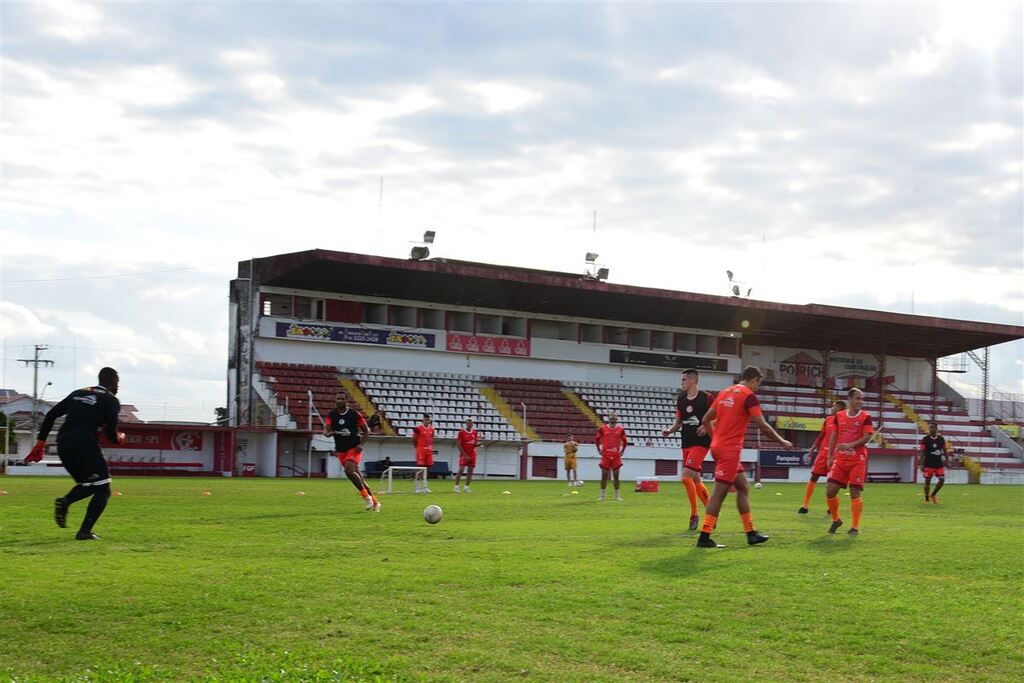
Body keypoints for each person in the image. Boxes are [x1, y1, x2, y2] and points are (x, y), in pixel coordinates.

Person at [697, 366, 792, 548]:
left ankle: (751, 533)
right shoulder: (748, 396)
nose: (758, 387)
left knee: (743, 487)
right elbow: (763, 426)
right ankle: (704, 536)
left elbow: (705, 420)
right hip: (730, 451)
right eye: (759, 383)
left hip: (719, 447)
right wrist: (782, 441)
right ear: (753, 379)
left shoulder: (724, 393)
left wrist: (715, 438)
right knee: (719, 494)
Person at [25, 367, 125, 540]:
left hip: (63, 444)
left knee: (90, 484)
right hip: (85, 444)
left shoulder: (78, 393)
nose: (118, 387)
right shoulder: (111, 400)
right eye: (117, 383)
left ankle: (64, 502)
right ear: (113, 382)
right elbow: (110, 434)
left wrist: (40, 443)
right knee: (103, 489)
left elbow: (50, 415)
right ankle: (84, 531)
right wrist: (120, 437)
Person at [662, 369, 713, 530]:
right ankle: (712, 513)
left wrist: (707, 426)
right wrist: (669, 430)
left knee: (685, 478)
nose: (681, 382)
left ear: (692, 381)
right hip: (686, 442)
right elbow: (678, 423)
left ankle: (694, 514)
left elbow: (720, 416)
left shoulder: (707, 398)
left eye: (683, 380)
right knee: (696, 479)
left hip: (701, 442)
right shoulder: (681, 400)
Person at [825, 388, 874, 536]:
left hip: (857, 460)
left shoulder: (866, 417)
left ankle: (854, 527)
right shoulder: (839, 416)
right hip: (840, 460)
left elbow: (867, 437)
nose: (861, 401)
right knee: (830, 491)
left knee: (854, 492)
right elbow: (833, 436)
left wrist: (850, 445)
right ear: (850, 399)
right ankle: (836, 520)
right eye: (858, 398)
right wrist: (829, 457)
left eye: (862, 398)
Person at [324, 392, 379, 512]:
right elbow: (327, 428)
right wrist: (327, 433)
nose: (339, 401)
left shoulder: (354, 414)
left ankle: (366, 497)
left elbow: (366, 431)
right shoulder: (331, 415)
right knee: (359, 478)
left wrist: (361, 445)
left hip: (354, 448)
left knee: (348, 471)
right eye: (337, 398)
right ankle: (375, 502)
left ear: (346, 401)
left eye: (341, 399)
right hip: (341, 450)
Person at [799, 400, 846, 514]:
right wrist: (812, 448)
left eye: (834, 406)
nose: (831, 407)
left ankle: (831, 507)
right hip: (823, 453)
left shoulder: (845, 422)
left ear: (839, 408)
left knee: (833, 482)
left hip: (836, 456)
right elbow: (821, 436)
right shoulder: (828, 420)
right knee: (814, 476)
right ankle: (804, 506)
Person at [596, 414, 628, 501]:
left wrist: (622, 451)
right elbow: (597, 439)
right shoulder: (602, 428)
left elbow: (625, 441)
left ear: (617, 419)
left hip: (616, 456)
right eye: (611, 417)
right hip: (606, 456)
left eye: (615, 418)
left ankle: (617, 495)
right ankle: (602, 495)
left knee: (616, 476)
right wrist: (599, 449)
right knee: (604, 476)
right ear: (609, 419)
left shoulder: (621, 429)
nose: (613, 419)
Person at [919, 423, 950, 504]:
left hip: (938, 464)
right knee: (927, 481)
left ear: (936, 429)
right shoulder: (925, 439)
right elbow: (922, 453)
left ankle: (933, 494)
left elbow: (945, 451)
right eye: (930, 428)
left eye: (933, 427)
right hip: (928, 464)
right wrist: (921, 464)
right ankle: (926, 498)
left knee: (942, 480)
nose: (931, 429)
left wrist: (947, 460)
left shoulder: (941, 439)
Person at [454, 418, 479, 493]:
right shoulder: (461, 432)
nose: (470, 424)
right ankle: (456, 487)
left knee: (470, 471)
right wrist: (464, 455)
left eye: (471, 423)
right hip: (464, 455)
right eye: (468, 423)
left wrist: (478, 444)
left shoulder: (474, 432)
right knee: (461, 470)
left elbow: (475, 443)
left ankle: (466, 487)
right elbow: (458, 444)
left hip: (472, 454)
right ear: (466, 423)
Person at [412, 413, 434, 494]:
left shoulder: (432, 429)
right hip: (421, 451)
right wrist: (418, 447)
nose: (427, 421)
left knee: (427, 470)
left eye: (428, 419)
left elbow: (432, 439)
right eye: (425, 419)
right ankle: (417, 487)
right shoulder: (418, 428)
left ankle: (425, 487)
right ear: (423, 420)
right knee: (420, 469)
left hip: (429, 451)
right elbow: (414, 439)